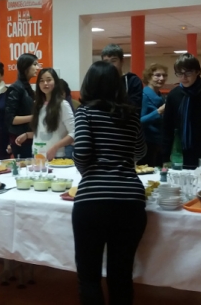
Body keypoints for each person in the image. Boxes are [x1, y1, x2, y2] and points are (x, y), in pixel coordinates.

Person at [72, 61, 147, 305]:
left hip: (93, 200)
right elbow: (140, 151)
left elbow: (82, 152)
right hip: (131, 199)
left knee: (89, 276)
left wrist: (89, 173)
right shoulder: (131, 114)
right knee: (121, 275)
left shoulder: (85, 112)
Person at [162, 53, 201, 168]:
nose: (183, 77)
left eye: (188, 72)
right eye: (179, 73)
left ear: (197, 71)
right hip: (181, 153)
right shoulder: (174, 95)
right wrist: (165, 156)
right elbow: (167, 128)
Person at [15, 68, 75, 161]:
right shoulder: (38, 105)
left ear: (55, 82)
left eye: (48, 80)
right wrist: (27, 135)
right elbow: (45, 132)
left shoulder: (62, 105)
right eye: (41, 81)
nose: (45, 83)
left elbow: (74, 133)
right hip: (37, 156)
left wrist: (55, 147)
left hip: (56, 156)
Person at [5, 53, 38, 158]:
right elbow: (11, 119)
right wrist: (34, 117)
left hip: (30, 136)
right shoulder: (15, 88)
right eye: (34, 64)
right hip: (19, 138)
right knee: (24, 166)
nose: (37, 68)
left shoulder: (27, 87)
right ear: (26, 67)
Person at [100, 44, 144, 110]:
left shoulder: (133, 81)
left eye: (113, 61)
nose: (110, 65)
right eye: (106, 61)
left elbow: (135, 107)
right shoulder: (100, 80)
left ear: (122, 61)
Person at [140, 63, 168, 167]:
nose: (162, 78)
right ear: (149, 77)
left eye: (164, 75)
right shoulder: (143, 95)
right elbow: (140, 121)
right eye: (157, 75)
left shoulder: (160, 96)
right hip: (147, 144)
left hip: (159, 143)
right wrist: (159, 112)